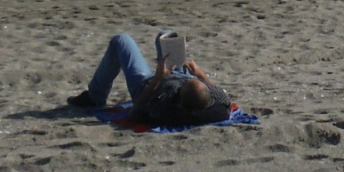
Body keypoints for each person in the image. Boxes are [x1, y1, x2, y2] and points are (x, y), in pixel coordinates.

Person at [68, 33, 233, 127]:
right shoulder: (218, 101)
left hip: (148, 83)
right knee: (166, 34)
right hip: (177, 77)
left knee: (121, 40)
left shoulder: (166, 103)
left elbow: (135, 110)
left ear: (180, 96)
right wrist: (199, 74)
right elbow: (221, 94)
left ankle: (95, 96)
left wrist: (158, 77)